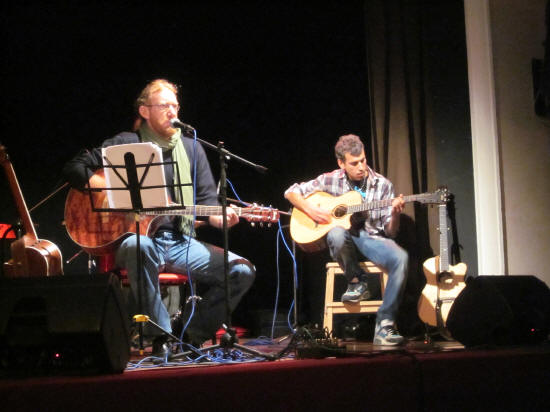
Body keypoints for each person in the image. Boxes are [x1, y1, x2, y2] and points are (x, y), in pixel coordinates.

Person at [63, 79, 256, 355]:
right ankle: (160, 336)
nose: (172, 111)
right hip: (132, 239)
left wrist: (221, 218)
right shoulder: (126, 143)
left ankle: (189, 333)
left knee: (242, 270)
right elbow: (73, 168)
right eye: (164, 105)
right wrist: (108, 189)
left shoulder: (192, 149)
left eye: (175, 105)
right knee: (139, 247)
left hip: (179, 241)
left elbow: (207, 205)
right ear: (144, 111)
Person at [284, 134, 408, 345]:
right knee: (336, 232)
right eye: (354, 163)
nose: (361, 167)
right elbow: (291, 192)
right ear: (341, 163)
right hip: (343, 241)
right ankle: (356, 282)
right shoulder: (329, 179)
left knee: (401, 258)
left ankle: (385, 325)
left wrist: (395, 212)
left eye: (363, 160)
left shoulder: (383, 185)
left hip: (372, 238)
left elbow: (391, 232)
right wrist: (311, 210)